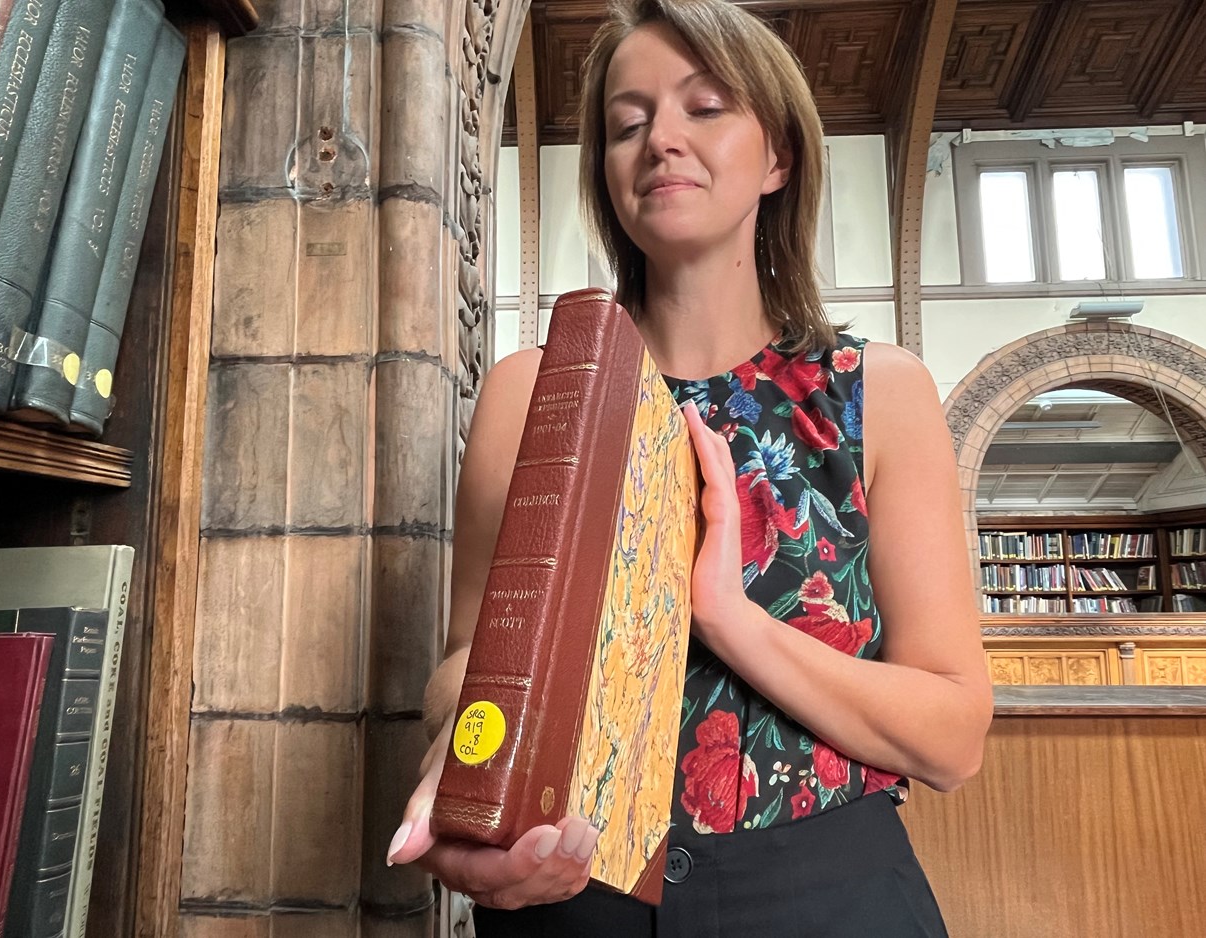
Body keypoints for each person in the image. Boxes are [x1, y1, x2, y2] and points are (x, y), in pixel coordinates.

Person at [387, 0, 993, 933]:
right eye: (627, 124)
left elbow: (952, 738)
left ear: (778, 157)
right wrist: (463, 758)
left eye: (704, 108)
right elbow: (463, 661)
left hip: (829, 888)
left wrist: (726, 619)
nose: (660, 138)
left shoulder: (879, 391)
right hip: (577, 885)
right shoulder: (533, 389)